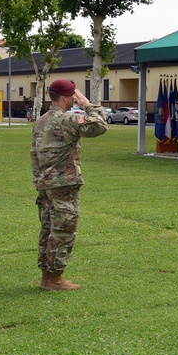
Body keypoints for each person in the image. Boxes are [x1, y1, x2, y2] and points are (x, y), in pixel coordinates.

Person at [31, 79, 108, 292]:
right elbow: (100, 126)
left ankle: (47, 277)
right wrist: (87, 104)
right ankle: (54, 279)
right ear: (66, 97)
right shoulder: (67, 120)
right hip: (64, 184)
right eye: (73, 95)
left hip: (45, 184)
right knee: (63, 230)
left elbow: (34, 154)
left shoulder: (42, 120)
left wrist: (39, 179)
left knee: (48, 229)